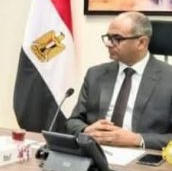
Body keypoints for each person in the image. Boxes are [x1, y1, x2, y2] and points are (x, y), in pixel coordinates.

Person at [67, 11, 172, 150]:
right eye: (108, 38)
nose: (109, 44)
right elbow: (73, 121)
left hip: (142, 156)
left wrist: (138, 139)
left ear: (141, 42)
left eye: (117, 38)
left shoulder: (168, 78)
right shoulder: (95, 74)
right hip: (96, 152)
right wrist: (86, 130)